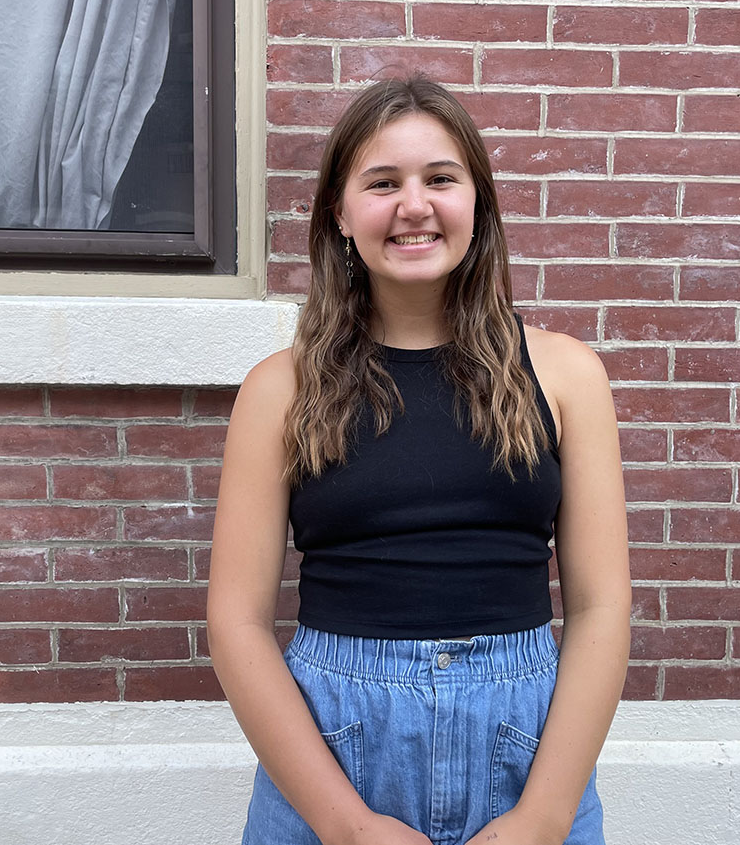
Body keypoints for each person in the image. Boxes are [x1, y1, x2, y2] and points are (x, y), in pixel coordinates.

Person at [208, 74, 630, 845]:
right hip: (333, 760)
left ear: (478, 204)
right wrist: (348, 826)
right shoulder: (280, 389)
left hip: (528, 757)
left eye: (440, 178)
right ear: (339, 212)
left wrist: (543, 817)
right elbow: (236, 620)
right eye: (382, 182)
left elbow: (602, 609)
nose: (414, 205)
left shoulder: (568, 375)